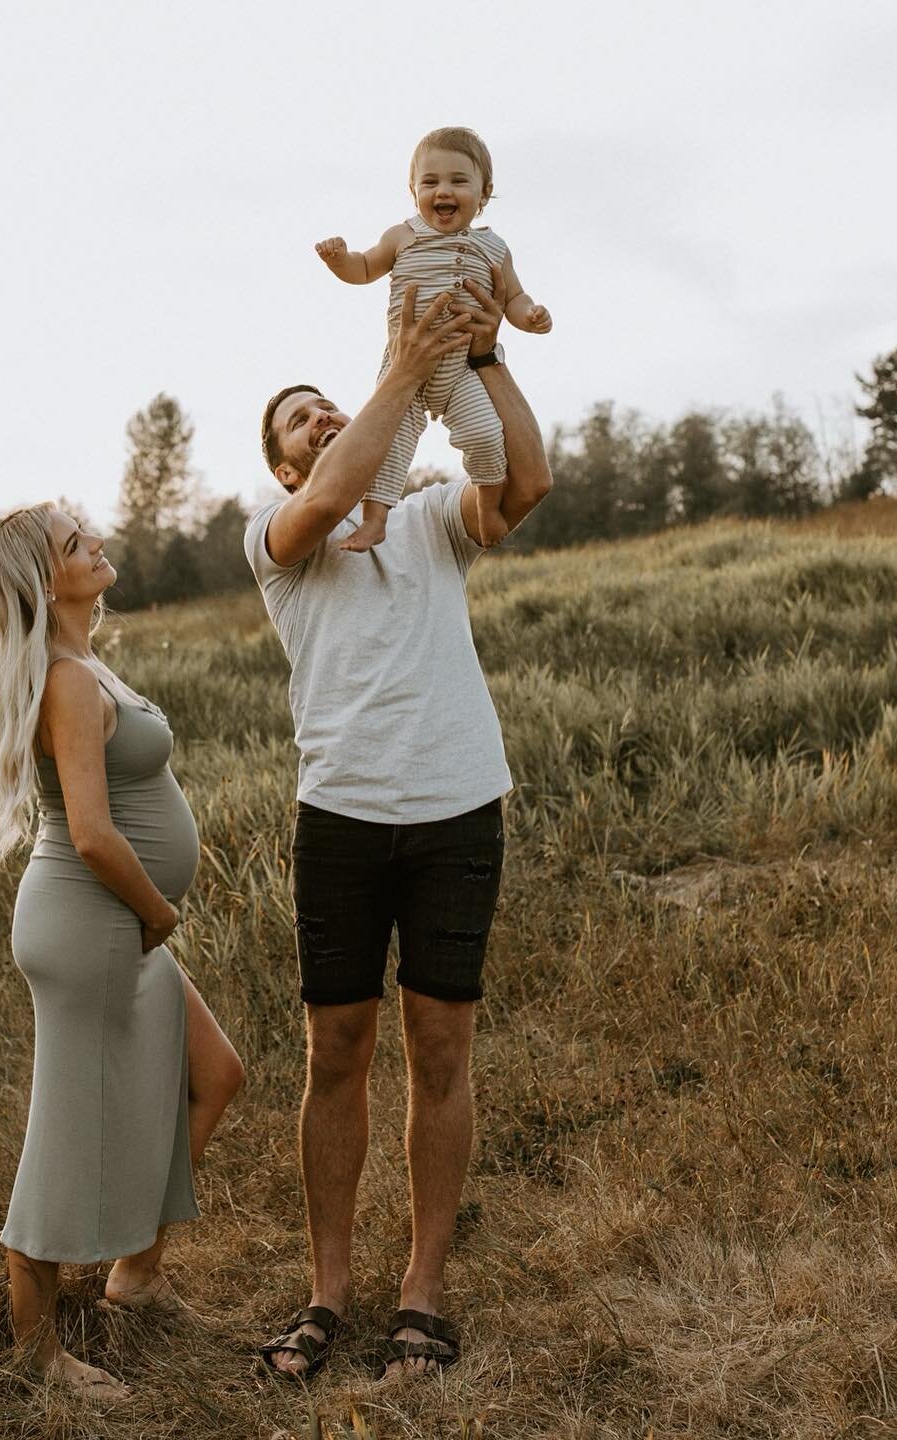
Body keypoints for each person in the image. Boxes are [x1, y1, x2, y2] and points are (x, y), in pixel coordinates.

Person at [245, 270, 552, 1379]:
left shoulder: (429, 516)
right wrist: (396, 367)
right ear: (285, 464)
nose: (323, 416)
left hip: (457, 808)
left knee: (440, 1048)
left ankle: (422, 1289)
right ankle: (328, 1292)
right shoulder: (281, 535)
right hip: (339, 818)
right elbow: (331, 500)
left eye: (329, 403)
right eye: (301, 420)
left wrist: (477, 359)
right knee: (338, 1052)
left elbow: (526, 482)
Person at [0, 504, 243, 1402]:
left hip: (110, 920)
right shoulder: (65, 681)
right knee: (63, 1140)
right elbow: (90, 833)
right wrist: (158, 912)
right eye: (75, 544)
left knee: (216, 1074)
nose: (96, 543)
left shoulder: (85, 661)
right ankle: (40, 1356)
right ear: (49, 581)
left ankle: (131, 1270)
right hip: (91, 922)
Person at [315, 125, 552, 552]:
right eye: (430, 182)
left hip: (463, 367)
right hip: (404, 364)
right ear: (413, 190)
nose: (443, 190)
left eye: (459, 181)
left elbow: (512, 296)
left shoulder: (493, 248)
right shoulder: (402, 236)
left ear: (484, 193)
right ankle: (375, 521)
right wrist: (339, 261)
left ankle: (487, 504)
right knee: (390, 440)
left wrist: (529, 316)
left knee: (485, 434)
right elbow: (364, 268)